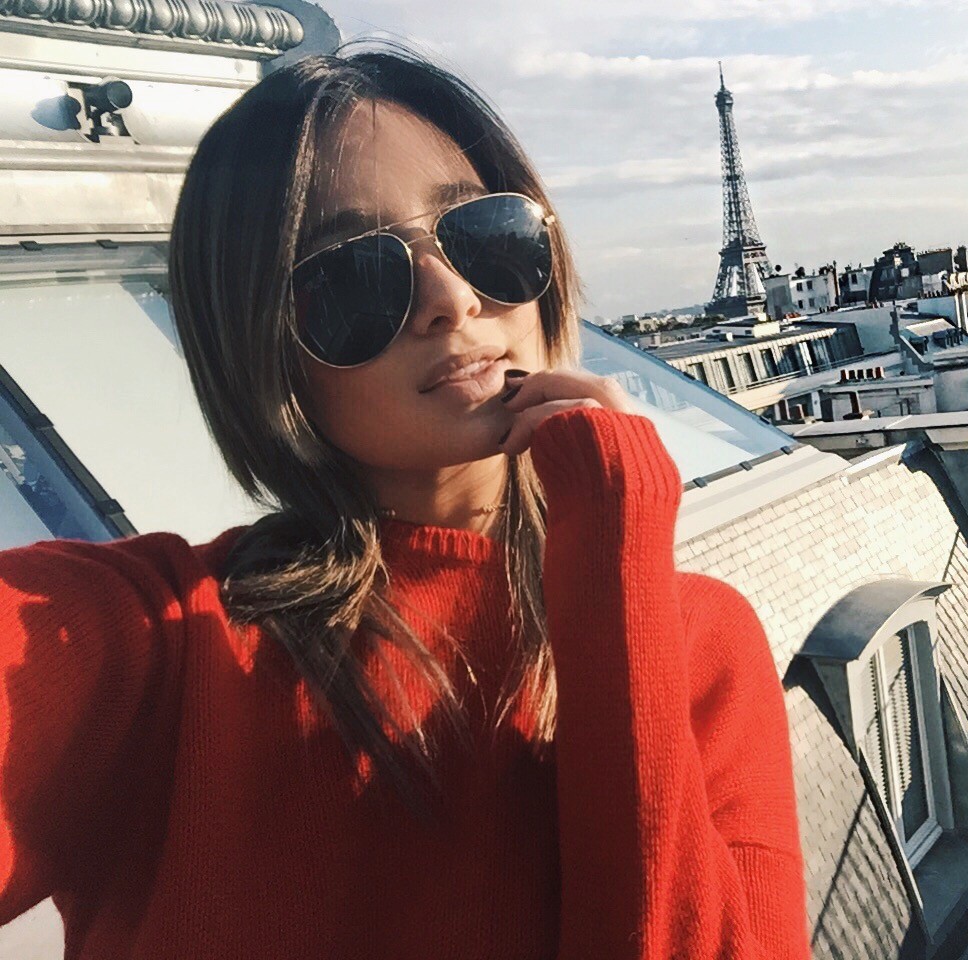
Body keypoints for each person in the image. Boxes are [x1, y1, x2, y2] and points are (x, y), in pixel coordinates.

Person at [0, 47, 809, 959]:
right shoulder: (154, 640)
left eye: (488, 235)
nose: (453, 299)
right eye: (353, 277)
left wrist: (617, 580)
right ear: (262, 343)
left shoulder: (696, 642)